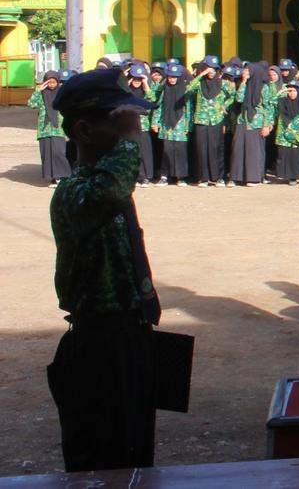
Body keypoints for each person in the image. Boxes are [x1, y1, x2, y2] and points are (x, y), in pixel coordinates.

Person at [46, 68, 161, 471]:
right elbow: (112, 189)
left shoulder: (104, 187)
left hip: (130, 333)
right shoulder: (74, 191)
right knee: (99, 455)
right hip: (97, 343)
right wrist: (131, 140)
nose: (131, 132)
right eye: (119, 123)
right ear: (83, 131)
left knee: (134, 448)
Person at [228, 62, 276, 187]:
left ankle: (253, 178)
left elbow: (268, 107)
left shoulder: (264, 87)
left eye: (248, 71)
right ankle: (236, 177)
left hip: (257, 122)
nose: (246, 73)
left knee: (253, 151)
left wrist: (267, 125)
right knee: (237, 149)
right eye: (245, 71)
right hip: (242, 120)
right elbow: (238, 99)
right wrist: (243, 82)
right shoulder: (245, 85)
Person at [185, 57, 231, 186]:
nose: (211, 72)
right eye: (209, 69)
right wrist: (201, 75)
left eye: (214, 69)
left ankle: (218, 177)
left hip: (216, 120)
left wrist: (225, 105)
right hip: (201, 120)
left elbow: (232, 95)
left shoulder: (223, 83)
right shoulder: (200, 83)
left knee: (216, 148)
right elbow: (188, 88)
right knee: (201, 149)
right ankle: (203, 178)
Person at [150, 64, 193, 187]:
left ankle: (181, 177)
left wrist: (188, 126)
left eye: (175, 77)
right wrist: (155, 122)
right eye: (170, 76)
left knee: (180, 150)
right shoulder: (164, 89)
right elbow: (159, 107)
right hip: (166, 124)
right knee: (167, 151)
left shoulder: (185, 90)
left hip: (180, 124)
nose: (172, 79)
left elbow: (189, 108)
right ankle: (164, 176)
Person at [28, 70, 70, 185]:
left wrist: (68, 131)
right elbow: (31, 104)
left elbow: (67, 111)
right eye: (49, 82)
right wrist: (38, 91)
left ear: (58, 82)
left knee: (59, 153)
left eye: (53, 82)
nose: (51, 85)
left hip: (59, 130)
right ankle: (52, 178)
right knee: (47, 155)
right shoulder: (41, 95)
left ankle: (61, 176)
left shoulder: (62, 95)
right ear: (45, 83)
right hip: (44, 130)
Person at [275, 81, 299, 184]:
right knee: (286, 154)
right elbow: (271, 101)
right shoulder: (283, 101)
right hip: (285, 135)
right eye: (289, 91)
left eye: (294, 91)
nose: (291, 93)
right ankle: (291, 177)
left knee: (297, 155)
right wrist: (282, 91)